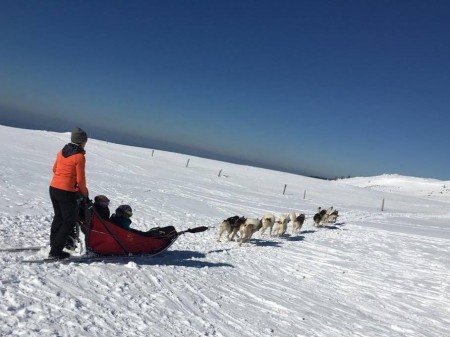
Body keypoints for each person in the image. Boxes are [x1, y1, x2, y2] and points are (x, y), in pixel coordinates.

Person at [48, 127, 88, 259]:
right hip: (66, 192)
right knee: (69, 221)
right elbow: (80, 179)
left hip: (53, 188)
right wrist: (85, 194)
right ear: (82, 141)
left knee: (59, 217)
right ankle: (55, 252)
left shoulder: (61, 152)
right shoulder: (79, 156)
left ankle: (54, 244)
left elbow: (54, 169)